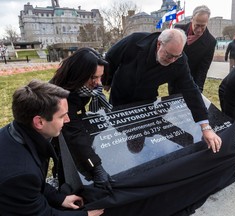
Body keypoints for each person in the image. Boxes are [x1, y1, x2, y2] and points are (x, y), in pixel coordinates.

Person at [104, 28, 222, 153]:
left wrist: (205, 127)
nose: (172, 60)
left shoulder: (179, 61)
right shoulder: (135, 41)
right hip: (120, 95)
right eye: (169, 55)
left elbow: (191, 90)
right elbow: (111, 57)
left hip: (146, 99)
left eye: (176, 56)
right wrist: (107, 80)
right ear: (159, 43)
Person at [0, 79, 104, 216]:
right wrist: (86, 215)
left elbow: (35, 186)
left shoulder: (13, 132)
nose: (67, 120)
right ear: (39, 122)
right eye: (62, 116)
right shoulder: (21, 173)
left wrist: (59, 198)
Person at [50, 47, 114, 193]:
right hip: (50, 129)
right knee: (62, 153)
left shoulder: (82, 86)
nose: (99, 83)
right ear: (78, 74)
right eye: (94, 78)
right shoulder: (60, 96)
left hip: (68, 121)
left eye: (100, 77)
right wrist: (96, 167)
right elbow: (73, 134)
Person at [171, 5, 216, 92]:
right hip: (175, 77)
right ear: (192, 19)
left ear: (207, 22)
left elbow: (203, 68)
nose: (199, 30)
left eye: (203, 26)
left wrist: (199, 89)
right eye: (197, 25)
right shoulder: (178, 29)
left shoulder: (211, 42)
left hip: (192, 80)